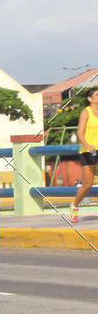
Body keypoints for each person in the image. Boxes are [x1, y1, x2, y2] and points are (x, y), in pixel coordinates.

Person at [70, 87, 98, 222]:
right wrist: (87, 145)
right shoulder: (85, 113)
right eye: (97, 95)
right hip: (88, 151)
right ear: (90, 98)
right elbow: (80, 133)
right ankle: (75, 206)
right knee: (87, 183)